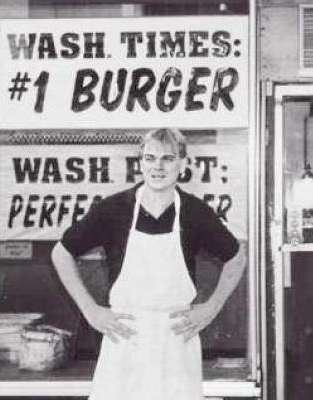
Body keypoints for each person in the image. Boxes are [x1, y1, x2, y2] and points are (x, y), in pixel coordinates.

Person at [51, 128, 246, 400]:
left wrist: (211, 308)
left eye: (168, 158)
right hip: (125, 340)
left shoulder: (195, 213)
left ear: (183, 164)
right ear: (141, 162)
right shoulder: (114, 209)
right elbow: (61, 253)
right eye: (150, 158)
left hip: (176, 343)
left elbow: (237, 257)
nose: (158, 166)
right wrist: (90, 310)